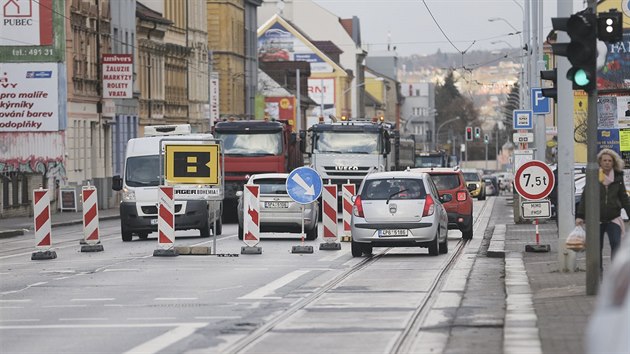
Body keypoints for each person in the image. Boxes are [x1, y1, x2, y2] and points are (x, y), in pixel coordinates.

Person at [575, 148, 630, 271]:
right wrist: (580, 216)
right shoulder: (593, 176)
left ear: (613, 162)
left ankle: (615, 273)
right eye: (604, 160)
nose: (607, 163)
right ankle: (597, 274)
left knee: (616, 245)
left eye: (609, 161)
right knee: (596, 248)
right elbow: (585, 196)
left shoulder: (618, 178)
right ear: (600, 162)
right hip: (596, 220)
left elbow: (624, 198)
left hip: (613, 219)